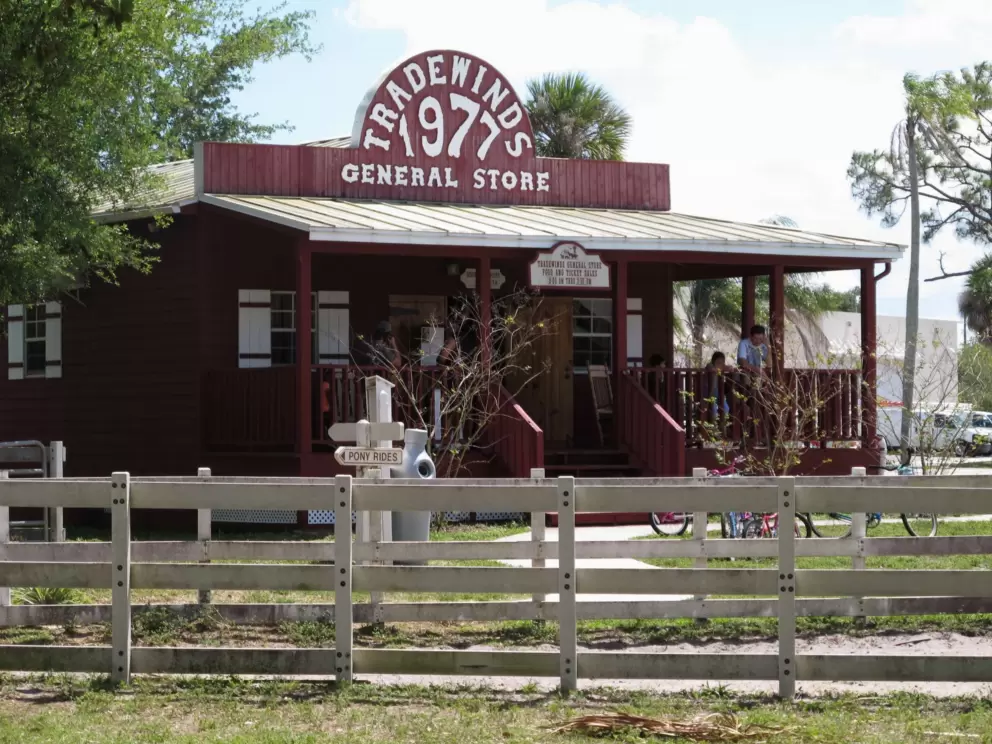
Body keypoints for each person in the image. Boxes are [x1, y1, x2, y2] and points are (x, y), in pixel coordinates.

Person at [704, 351, 730, 417]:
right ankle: (713, 424)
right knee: (713, 409)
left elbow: (728, 367)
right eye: (718, 363)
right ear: (713, 362)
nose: (720, 365)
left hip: (717, 393)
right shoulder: (710, 366)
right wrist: (713, 369)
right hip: (708, 392)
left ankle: (723, 424)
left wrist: (731, 368)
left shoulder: (722, 368)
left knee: (726, 408)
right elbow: (708, 366)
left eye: (722, 363)